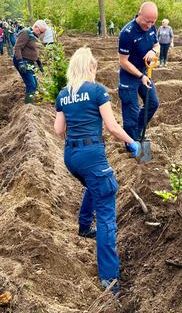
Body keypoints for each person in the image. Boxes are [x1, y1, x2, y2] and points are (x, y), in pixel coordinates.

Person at [54, 47, 140, 295]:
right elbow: (112, 127)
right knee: (106, 214)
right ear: (90, 67)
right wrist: (133, 144)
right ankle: (109, 278)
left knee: (96, 184)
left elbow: (59, 130)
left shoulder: (63, 95)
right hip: (92, 155)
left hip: (71, 156)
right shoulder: (97, 91)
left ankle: (83, 226)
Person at [118, 1, 160, 145]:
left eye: (152, 22)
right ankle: (131, 144)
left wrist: (153, 51)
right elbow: (123, 61)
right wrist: (140, 76)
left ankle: (137, 133)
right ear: (139, 15)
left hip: (144, 72)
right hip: (129, 77)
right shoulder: (127, 33)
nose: (149, 25)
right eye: (147, 22)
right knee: (131, 112)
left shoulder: (152, 27)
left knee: (153, 103)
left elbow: (157, 45)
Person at [13, 19, 48, 104]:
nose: (41, 34)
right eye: (40, 32)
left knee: (35, 83)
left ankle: (30, 102)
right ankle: (28, 105)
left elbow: (35, 51)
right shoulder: (26, 32)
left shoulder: (34, 36)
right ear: (36, 27)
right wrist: (21, 62)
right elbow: (17, 48)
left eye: (42, 33)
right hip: (23, 61)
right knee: (31, 84)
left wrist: (40, 65)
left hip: (30, 63)